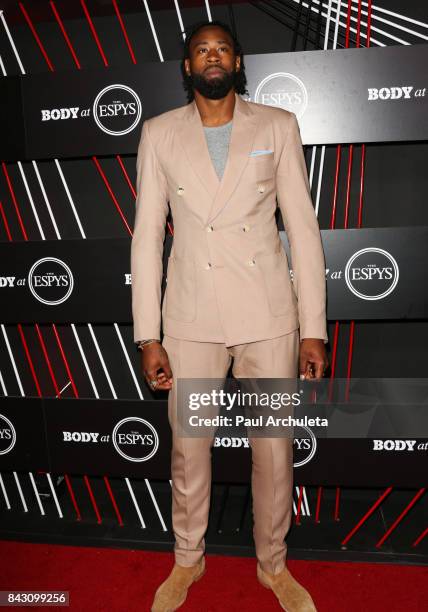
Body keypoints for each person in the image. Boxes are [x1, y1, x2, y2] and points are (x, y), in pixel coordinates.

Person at [131, 19, 329, 612]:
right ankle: (187, 560)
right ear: (187, 67)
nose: (212, 58)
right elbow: (146, 238)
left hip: (268, 316)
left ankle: (273, 565)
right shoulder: (160, 133)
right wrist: (148, 335)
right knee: (190, 447)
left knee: (273, 446)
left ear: (236, 62)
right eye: (201, 51)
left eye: (222, 49)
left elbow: (303, 227)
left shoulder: (277, 125)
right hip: (191, 320)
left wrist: (313, 327)